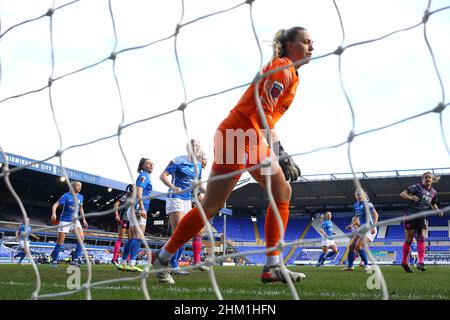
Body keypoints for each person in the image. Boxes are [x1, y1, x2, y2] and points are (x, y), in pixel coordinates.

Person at [152, 27, 313, 284]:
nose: (311, 47)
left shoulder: (292, 74)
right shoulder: (281, 67)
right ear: (290, 45)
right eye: (306, 42)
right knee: (212, 206)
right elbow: (263, 111)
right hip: (235, 137)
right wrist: (281, 152)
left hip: (254, 139)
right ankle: (161, 259)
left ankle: (272, 265)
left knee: (282, 191)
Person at [159, 139, 206, 275]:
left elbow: (198, 185)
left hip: (187, 201)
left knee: (184, 234)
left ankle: (163, 259)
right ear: (188, 148)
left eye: (198, 145)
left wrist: (210, 193)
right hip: (176, 198)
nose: (197, 147)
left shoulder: (198, 164)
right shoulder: (178, 160)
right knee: (179, 231)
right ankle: (173, 265)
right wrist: (173, 187)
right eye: (194, 145)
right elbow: (162, 176)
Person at [399, 171, 443, 273]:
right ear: (422, 179)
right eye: (426, 177)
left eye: (430, 178)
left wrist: (438, 211)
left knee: (422, 238)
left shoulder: (434, 193)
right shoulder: (416, 187)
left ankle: (421, 262)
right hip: (410, 215)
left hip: (422, 217)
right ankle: (404, 262)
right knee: (409, 240)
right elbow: (402, 194)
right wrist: (411, 197)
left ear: (432, 180)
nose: (428, 179)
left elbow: (433, 204)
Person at [117, 158, 153, 272]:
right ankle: (132, 263)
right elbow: (139, 192)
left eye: (152, 164)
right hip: (138, 208)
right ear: (142, 165)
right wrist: (142, 208)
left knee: (131, 237)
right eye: (148, 163)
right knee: (138, 237)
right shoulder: (144, 176)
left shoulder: (144, 176)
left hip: (133, 208)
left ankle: (123, 262)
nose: (151, 165)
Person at [50, 181, 88, 267]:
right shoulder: (66, 195)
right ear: (73, 186)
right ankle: (54, 260)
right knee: (60, 241)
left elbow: (81, 209)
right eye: (78, 185)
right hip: (65, 221)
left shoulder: (81, 197)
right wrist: (54, 213)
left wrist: (84, 220)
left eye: (80, 186)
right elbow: (55, 205)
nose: (80, 187)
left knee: (81, 239)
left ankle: (75, 260)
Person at [342, 189, 379, 272]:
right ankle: (350, 266)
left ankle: (367, 265)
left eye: (360, 194)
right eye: (357, 195)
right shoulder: (356, 205)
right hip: (362, 229)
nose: (359, 196)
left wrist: (373, 226)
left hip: (369, 228)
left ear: (364, 196)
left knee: (358, 245)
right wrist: (351, 225)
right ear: (355, 196)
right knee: (351, 246)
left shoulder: (368, 204)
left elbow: (376, 215)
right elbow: (357, 216)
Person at [111, 184, 133, 266]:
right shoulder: (126, 196)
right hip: (124, 218)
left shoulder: (136, 197)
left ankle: (127, 259)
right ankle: (114, 258)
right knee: (120, 238)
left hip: (131, 220)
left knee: (130, 240)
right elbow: (115, 205)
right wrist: (116, 215)